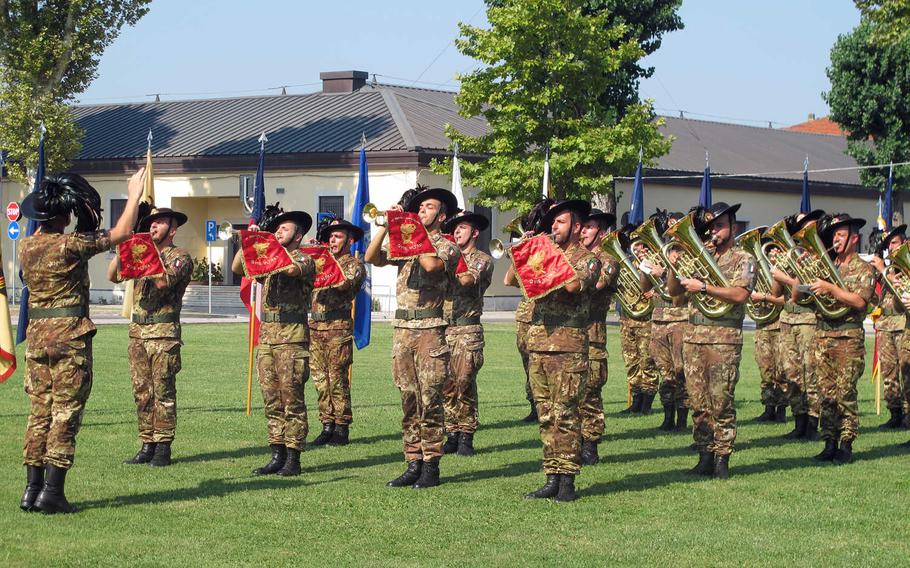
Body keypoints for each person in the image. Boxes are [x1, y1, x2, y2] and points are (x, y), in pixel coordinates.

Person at [19, 168, 146, 514]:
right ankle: (52, 492)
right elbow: (120, 233)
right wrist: (133, 194)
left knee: (39, 413)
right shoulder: (69, 245)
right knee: (65, 413)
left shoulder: (26, 246)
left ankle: (31, 491)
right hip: (69, 338)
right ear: (64, 216)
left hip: (37, 341)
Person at [365, 187, 460, 489]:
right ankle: (412, 461)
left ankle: (431, 464)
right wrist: (384, 226)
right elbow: (372, 257)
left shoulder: (447, 245)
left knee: (430, 400)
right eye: (419, 207)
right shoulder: (407, 241)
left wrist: (413, 232)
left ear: (442, 216)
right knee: (408, 399)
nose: (421, 210)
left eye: (429, 207)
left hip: (430, 332)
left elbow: (432, 265)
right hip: (402, 332)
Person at [505, 199, 600, 502]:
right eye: (552, 222)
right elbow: (510, 280)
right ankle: (551, 475)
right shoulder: (545, 253)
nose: (553, 227)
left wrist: (544, 251)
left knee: (566, 414)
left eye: (560, 222)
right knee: (546, 414)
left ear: (576, 227)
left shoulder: (588, 259)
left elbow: (572, 286)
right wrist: (527, 248)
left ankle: (567, 480)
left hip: (569, 346)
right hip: (539, 344)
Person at [667, 203, 754, 479]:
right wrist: (673, 266)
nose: (714, 231)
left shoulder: (743, 258)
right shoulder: (702, 254)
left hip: (724, 339)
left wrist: (704, 286)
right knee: (699, 402)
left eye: (720, 225)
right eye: (711, 226)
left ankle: (722, 459)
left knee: (721, 401)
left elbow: (740, 295)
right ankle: (705, 455)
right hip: (694, 338)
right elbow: (674, 295)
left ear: (734, 228)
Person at [232, 204, 315, 477]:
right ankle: (276, 452)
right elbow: (237, 268)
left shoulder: (303, 259)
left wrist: (266, 242)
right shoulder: (266, 257)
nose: (279, 231)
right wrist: (249, 242)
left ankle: (293, 457)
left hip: (292, 338)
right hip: (267, 337)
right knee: (271, 399)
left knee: (292, 398)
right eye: (277, 228)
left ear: (298, 235)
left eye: (285, 228)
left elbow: (290, 270)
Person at [107, 207, 192, 467]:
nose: (154, 226)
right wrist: (124, 246)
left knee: (162, 391)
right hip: (138, 332)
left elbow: (163, 282)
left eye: (161, 222)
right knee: (142, 392)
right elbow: (112, 276)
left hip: (163, 334)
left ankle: (163, 446)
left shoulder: (180, 256)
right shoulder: (138, 252)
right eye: (152, 223)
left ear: (173, 229)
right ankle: (147, 443)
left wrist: (144, 254)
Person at [806, 213, 874, 465]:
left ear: (854, 239)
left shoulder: (863, 268)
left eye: (841, 234)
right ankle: (829, 442)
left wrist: (832, 288)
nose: (836, 238)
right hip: (823, 335)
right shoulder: (827, 265)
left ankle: (846, 443)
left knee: (845, 392)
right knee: (826, 394)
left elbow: (859, 301)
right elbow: (796, 297)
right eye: (834, 234)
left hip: (848, 336)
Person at [308, 218, 366, 447]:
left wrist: (324, 260)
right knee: (320, 380)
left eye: (338, 236)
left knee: (337, 379)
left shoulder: (354, 264)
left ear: (349, 241)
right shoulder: (321, 261)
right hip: (316, 327)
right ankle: (326, 424)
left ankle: (341, 426)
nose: (332, 239)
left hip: (337, 327)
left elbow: (343, 283)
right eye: (330, 236)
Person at [440, 210, 494, 457]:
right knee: (446, 384)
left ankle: (467, 434)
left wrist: (448, 260)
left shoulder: (481, 259)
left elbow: (467, 281)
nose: (456, 232)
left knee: (464, 382)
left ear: (474, 232)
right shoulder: (447, 256)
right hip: (444, 328)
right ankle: (451, 431)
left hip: (467, 329)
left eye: (462, 228)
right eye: (454, 229)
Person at [771, 210, 824, 440]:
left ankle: (813, 424)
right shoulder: (793, 255)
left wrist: (788, 278)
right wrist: (775, 272)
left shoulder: (821, 257)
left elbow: (799, 294)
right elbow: (776, 294)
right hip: (787, 319)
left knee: (811, 372)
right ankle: (798, 421)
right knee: (791, 373)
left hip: (808, 319)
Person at [641, 211, 690, 432]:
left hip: (679, 318)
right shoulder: (661, 253)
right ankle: (667, 416)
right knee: (665, 371)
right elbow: (645, 290)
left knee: (681, 371)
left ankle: (681, 419)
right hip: (658, 319)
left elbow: (681, 292)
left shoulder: (689, 256)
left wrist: (665, 272)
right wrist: (645, 268)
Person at [578, 208, 617, 465]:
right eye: (583, 226)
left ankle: (590, 444)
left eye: (589, 227)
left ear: (601, 232)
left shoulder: (609, 260)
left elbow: (597, 285)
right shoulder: (576, 256)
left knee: (590, 393)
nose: (583, 231)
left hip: (593, 335)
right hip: (570, 334)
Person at [511, 199, 554, 423]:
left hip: (545, 317)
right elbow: (509, 280)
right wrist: (521, 249)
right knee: (528, 364)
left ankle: (546, 405)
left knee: (545, 365)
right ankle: (534, 404)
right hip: (526, 316)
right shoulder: (532, 249)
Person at [618, 224, 659, 415]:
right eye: (635, 245)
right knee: (631, 361)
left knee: (647, 362)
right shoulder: (626, 265)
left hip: (646, 320)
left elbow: (666, 287)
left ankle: (647, 403)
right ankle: (635, 401)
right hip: (627, 320)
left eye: (642, 246)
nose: (639, 249)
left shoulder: (655, 264)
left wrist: (655, 290)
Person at [869, 224, 907, 429]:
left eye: (894, 243)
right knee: (889, 373)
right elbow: (877, 297)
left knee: (906, 371)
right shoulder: (887, 266)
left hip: (902, 322)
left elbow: (902, 290)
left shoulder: (904, 265)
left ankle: (908, 415)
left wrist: (884, 271)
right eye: (888, 245)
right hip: (885, 323)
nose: (891, 248)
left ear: (904, 242)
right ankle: (895, 413)